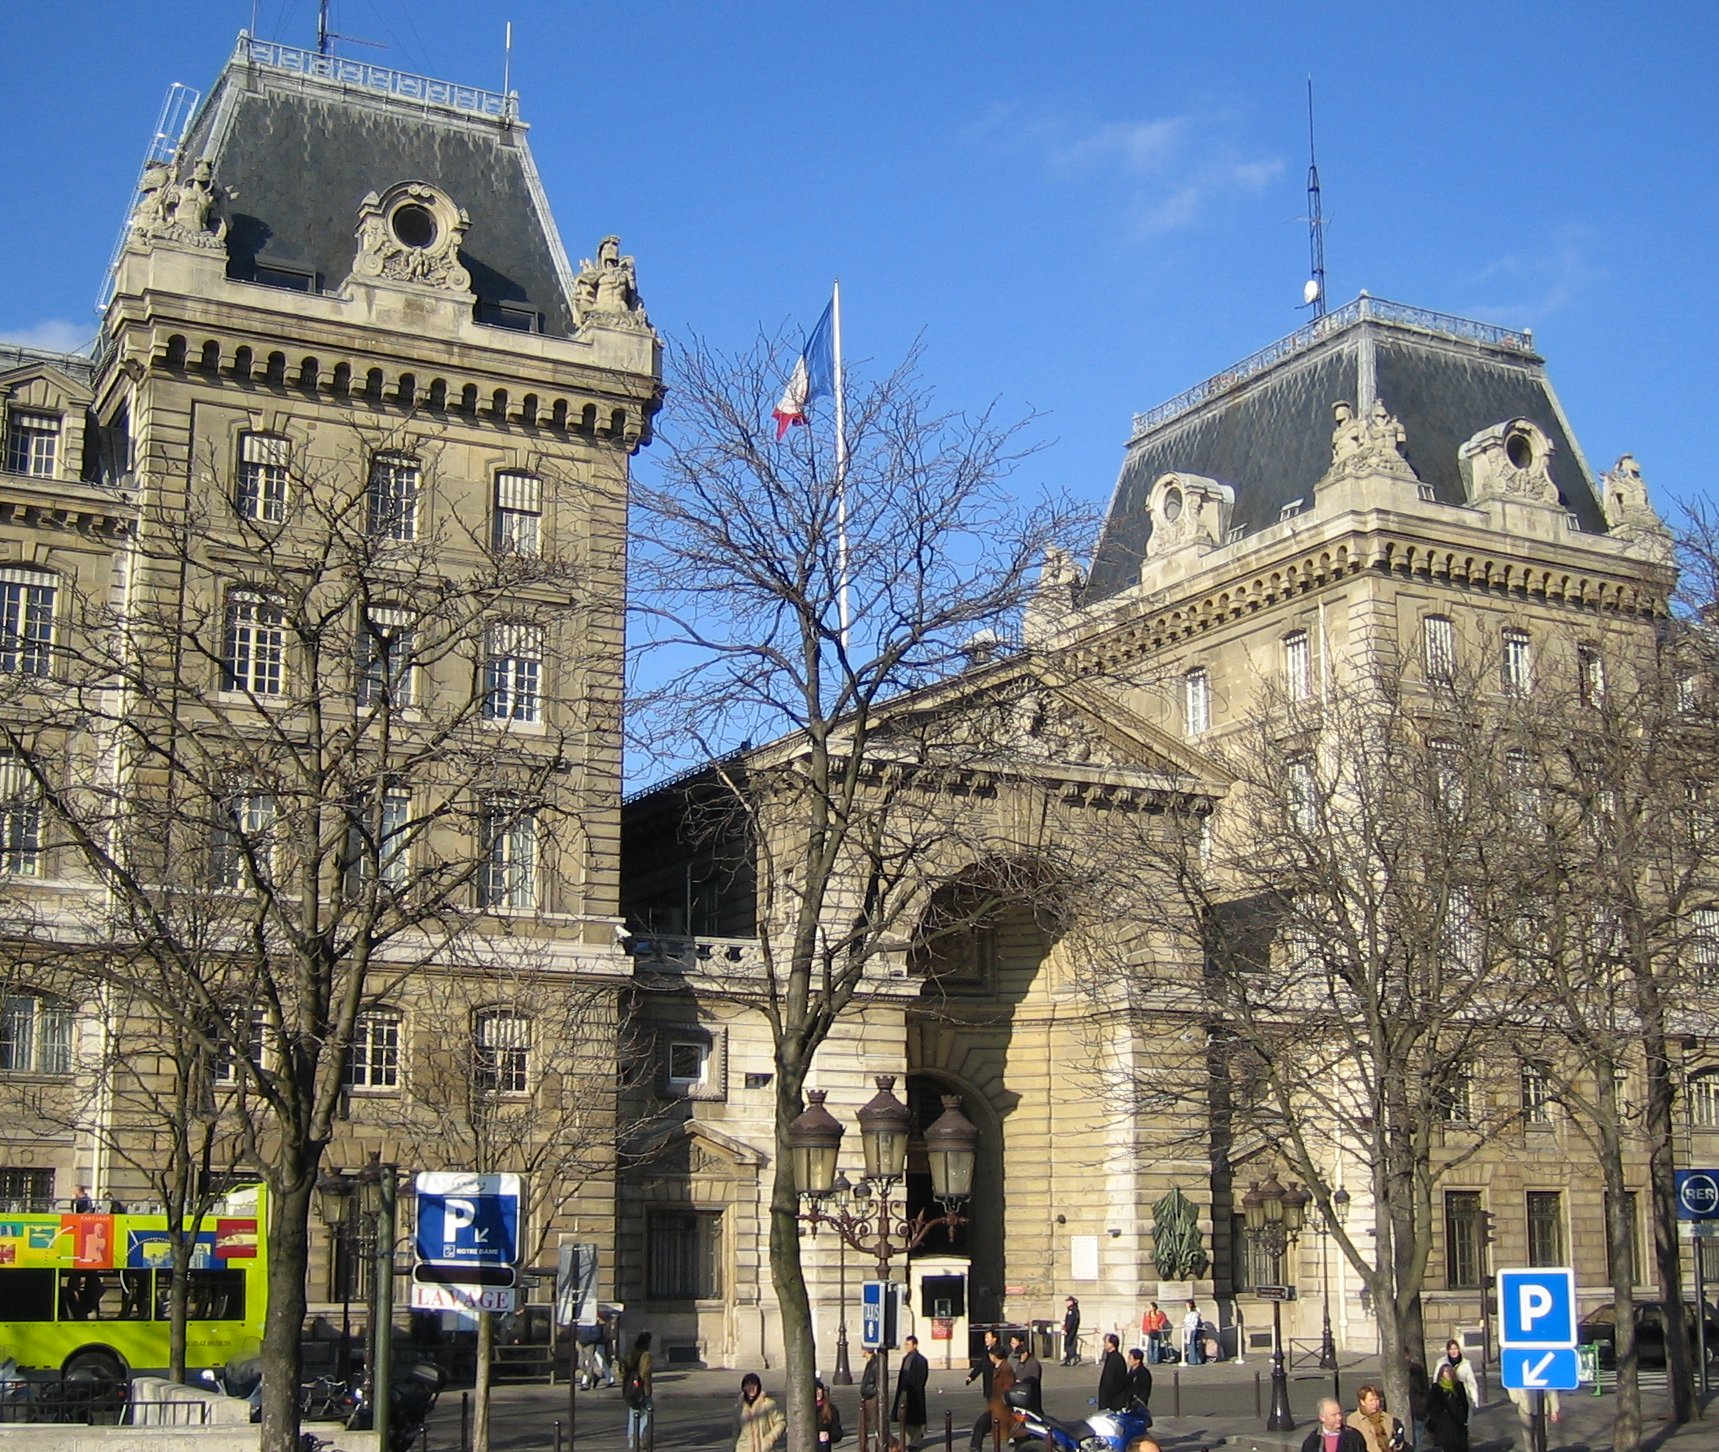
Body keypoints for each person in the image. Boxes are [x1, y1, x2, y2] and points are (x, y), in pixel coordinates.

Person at [969, 1345, 1016, 1451]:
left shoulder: (1005, 1368)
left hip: (1000, 1405)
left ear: (994, 1356)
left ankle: (975, 1447)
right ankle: (975, 1446)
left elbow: (1009, 1386)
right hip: (994, 1404)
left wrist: (1004, 1399)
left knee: (986, 1425)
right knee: (982, 1424)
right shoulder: (998, 1367)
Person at [1346, 1383, 1406, 1452]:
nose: (1375, 1403)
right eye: (1371, 1400)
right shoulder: (1353, 1420)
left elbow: (1397, 1443)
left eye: (1376, 1400)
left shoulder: (1387, 1418)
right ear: (1362, 1402)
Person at [733, 1372, 785, 1452]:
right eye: (748, 1385)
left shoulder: (768, 1404)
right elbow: (736, 1432)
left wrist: (770, 1438)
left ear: (759, 1386)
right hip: (743, 1448)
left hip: (764, 1448)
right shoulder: (739, 1407)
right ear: (743, 1388)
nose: (751, 1388)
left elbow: (781, 1422)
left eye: (754, 1385)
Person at [894, 1333, 929, 1447]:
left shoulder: (920, 1360)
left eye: (908, 1344)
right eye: (905, 1344)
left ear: (915, 1345)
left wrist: (914, 1389)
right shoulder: (906, 1358)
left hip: (914, 1394)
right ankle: (915, 1437)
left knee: (913, 1419)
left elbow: (921, 1378)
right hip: (904, 1392)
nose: (906, 1346)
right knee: (903, 1417)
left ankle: (916, 1442)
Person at [621, 1331, 653, 1452]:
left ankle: (631, 1439)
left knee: (633, 1412)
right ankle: (638, 1437)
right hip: (642, 1388)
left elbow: (622, 1370)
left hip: (630, 1387)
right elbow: (645, 1373)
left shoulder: (630, 1353)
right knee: (646, 1412)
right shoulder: (646, 1355)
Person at [1427, 1363, 1469, 1452]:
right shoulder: (1436, 1388)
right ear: (1441, 1374)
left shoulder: (1458, 1386)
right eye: (1446, 1371)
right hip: (1443, 1425)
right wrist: (1438, 1418)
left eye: (1450, 1371)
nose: (1449, 1373)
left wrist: (1464, 1418)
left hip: (1458, 1423)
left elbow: (1464, 1403)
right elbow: (1430, 1406)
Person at [1302, 1397, 1367, 1452]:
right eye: (1334, 1415)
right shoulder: (1313, 1441)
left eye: (1339, 1413)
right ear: (1322, 1418)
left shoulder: (1354, 1436)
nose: (1339, 1418)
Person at [1009, 1329, 1043, 1414]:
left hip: (1031, 1398)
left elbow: (1034, 1379)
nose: (1019, 1359)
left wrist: (1021, 1381)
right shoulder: (1019, 1362)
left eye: (1020, 1356)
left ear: (1025, 1354)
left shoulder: (1033, 1364)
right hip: (1020, 1398)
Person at [1441, 1340, 1479, 1409]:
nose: (1453, 1351)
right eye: (1451, 1349)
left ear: (1458, 1349)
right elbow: (1436, 1382)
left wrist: (1474, 1400)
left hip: (1463, 1399)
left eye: (1455, 1348)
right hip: (1446, 1400)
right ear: (1447, 1351)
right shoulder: (1441, 1363)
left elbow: (1472, 1384)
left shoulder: (1466, 1364)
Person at [965, 1328, 1002, 1397]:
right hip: (987, 1383)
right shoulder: (986, 1349)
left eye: (988, 1337)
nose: (986, 1340)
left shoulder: (999, 1351)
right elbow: (982, 1364)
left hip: (996, 1384)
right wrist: (971, 1376)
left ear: (994, 1339)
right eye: (985, 1337)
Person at [1097, 1332, 1129, 1412]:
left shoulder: (1115, 1359)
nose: (1104, 1344)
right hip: (1109, 1398)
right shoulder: (1111, 1357)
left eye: (1106, 1342)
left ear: (1112, 1344)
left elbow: (1111, 1380)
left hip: (1112, 1400)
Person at [815, 1378, 845, 1449]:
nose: (818, 1392)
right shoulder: (806, 1408)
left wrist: (828, 1435)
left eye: (820, 1389)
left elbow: (837, 1433)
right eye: (815, 1390)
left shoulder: (830, 1409)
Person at [860, 1347, 880, 1438]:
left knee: (877, 1423)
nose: (860, 1351)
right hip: (867, 1396)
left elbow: (878, 1381)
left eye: (862, 1349)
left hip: (872, 1397)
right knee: (862, 1426)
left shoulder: (875, 1363)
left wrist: (872, 1392)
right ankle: (863, 1447)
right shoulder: (870, 1362)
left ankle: (893, 1444)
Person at [1182, 1301, 1206, 1366]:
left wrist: (1184, 1324)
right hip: (1193, 1329)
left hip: (1190, 1329)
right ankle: (1197, 1360)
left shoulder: (1191, 1313)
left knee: (1190, 1345)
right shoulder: (1195, 1312)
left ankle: (1192, 1360)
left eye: (1187, 1304)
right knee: (1193, 1345)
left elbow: (1187, 1321)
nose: (1186, 1305)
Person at [1063, 1296, 1082, 1365]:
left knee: (1068, 1344)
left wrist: (1066, 1330)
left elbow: (1070, 1322)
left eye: (1068, 1302)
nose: (1067, 1303)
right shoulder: (1076, 1310)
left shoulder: (1071, 1310)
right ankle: (1069, 1359)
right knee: (1070, 1344)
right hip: (1073, 1330)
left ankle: (1070, 1359)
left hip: (1070, 1330)